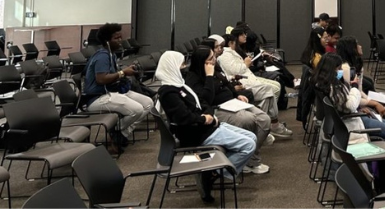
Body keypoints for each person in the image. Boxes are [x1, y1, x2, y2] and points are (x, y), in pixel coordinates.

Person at [156, 51, 257, 203]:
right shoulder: (168, 92)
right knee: (248, 145)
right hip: (196, 133)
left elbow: (203, 103)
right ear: (172, 66)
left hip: (206, 126)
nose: (185, 67)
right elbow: (184, 117)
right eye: (182, 64)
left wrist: (210, 115)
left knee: (252, 137)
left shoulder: (180, 85)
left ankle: (213, 171)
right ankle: (213, 173)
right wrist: (205, 119)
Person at [185, 45, 271, 175]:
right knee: (248, 119)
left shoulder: (214, 70)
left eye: (213, 57)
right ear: (201, 61)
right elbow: (206, 100)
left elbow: (226, 84)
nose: (214, 60)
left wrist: (237, 95)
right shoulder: (194, 78)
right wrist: (208, 76)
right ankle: (251, 161)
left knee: (264, 119)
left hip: (232, 103)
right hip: (215, 109)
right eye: (210, 58)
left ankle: (249, 157)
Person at [83, 23, 153, 152]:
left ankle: (120, 133)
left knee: (148, 103)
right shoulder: (102, 56)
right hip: (97, 98)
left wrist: (125, 72)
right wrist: (123, 73)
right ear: (107, 41)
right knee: (136, 109)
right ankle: (115, 132)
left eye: (121, 37)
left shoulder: (111, 55)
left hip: (112, 92)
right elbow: (101, 79)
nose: (120, 41)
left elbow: (114, 76)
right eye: (116, 38)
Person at [314, 53, 385, 141]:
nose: (341, 70)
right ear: (331, 69)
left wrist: (359, 109)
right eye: (339, 68)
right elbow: (349, 106)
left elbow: (342, 105)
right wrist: (354, 87)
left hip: (350, 117)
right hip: (350, 122)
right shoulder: (333, 87)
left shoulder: (323, 84)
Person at [217, 34, 293, 138]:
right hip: (242, 83)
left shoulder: (229, 53)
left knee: (269, 93)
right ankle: (269, 125)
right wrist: (246, 63)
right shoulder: (225, 55)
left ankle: (266, 126)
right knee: (269, 90)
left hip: (244, 80)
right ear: (231, 43)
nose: (245, 36)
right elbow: (235, 71)